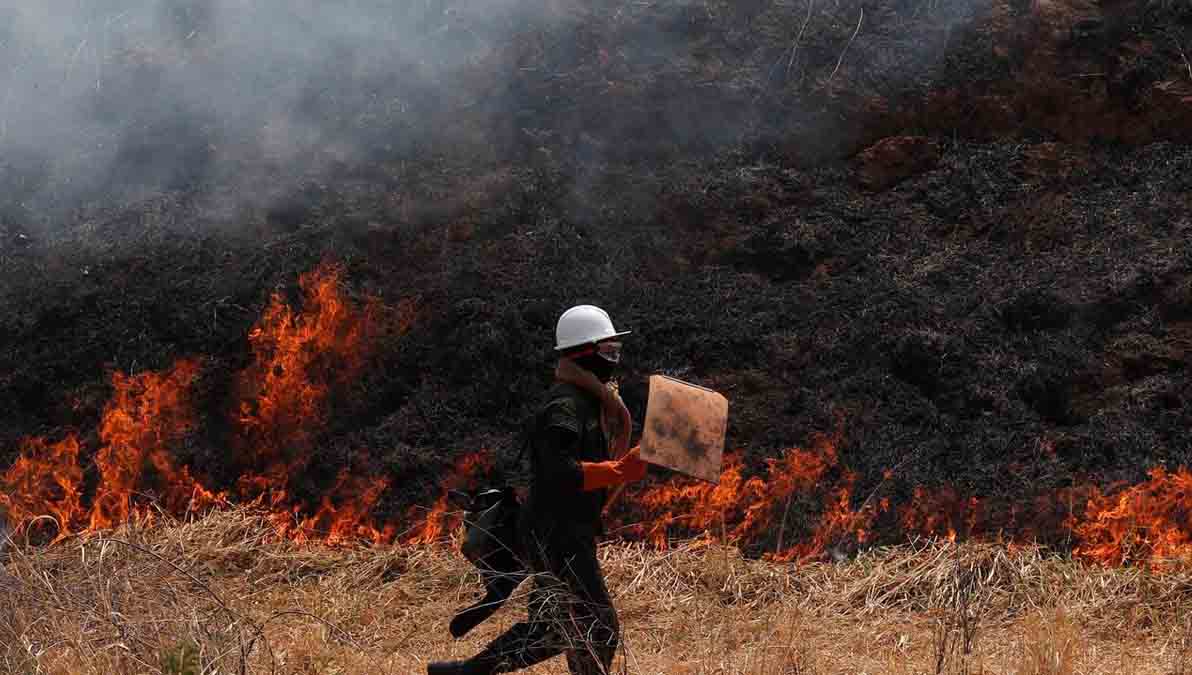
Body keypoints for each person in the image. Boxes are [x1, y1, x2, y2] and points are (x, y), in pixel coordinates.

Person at [428, 305, 649, 675]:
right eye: (607, 352)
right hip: (555, 533)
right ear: (583, 354)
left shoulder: (590, 401)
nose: (614, 360)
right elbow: (556, 473)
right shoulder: (565, 406)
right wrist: (618, 470)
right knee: (598, 626)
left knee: (553, 628)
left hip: (563, 530)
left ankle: (463, 674)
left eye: (616, 351)